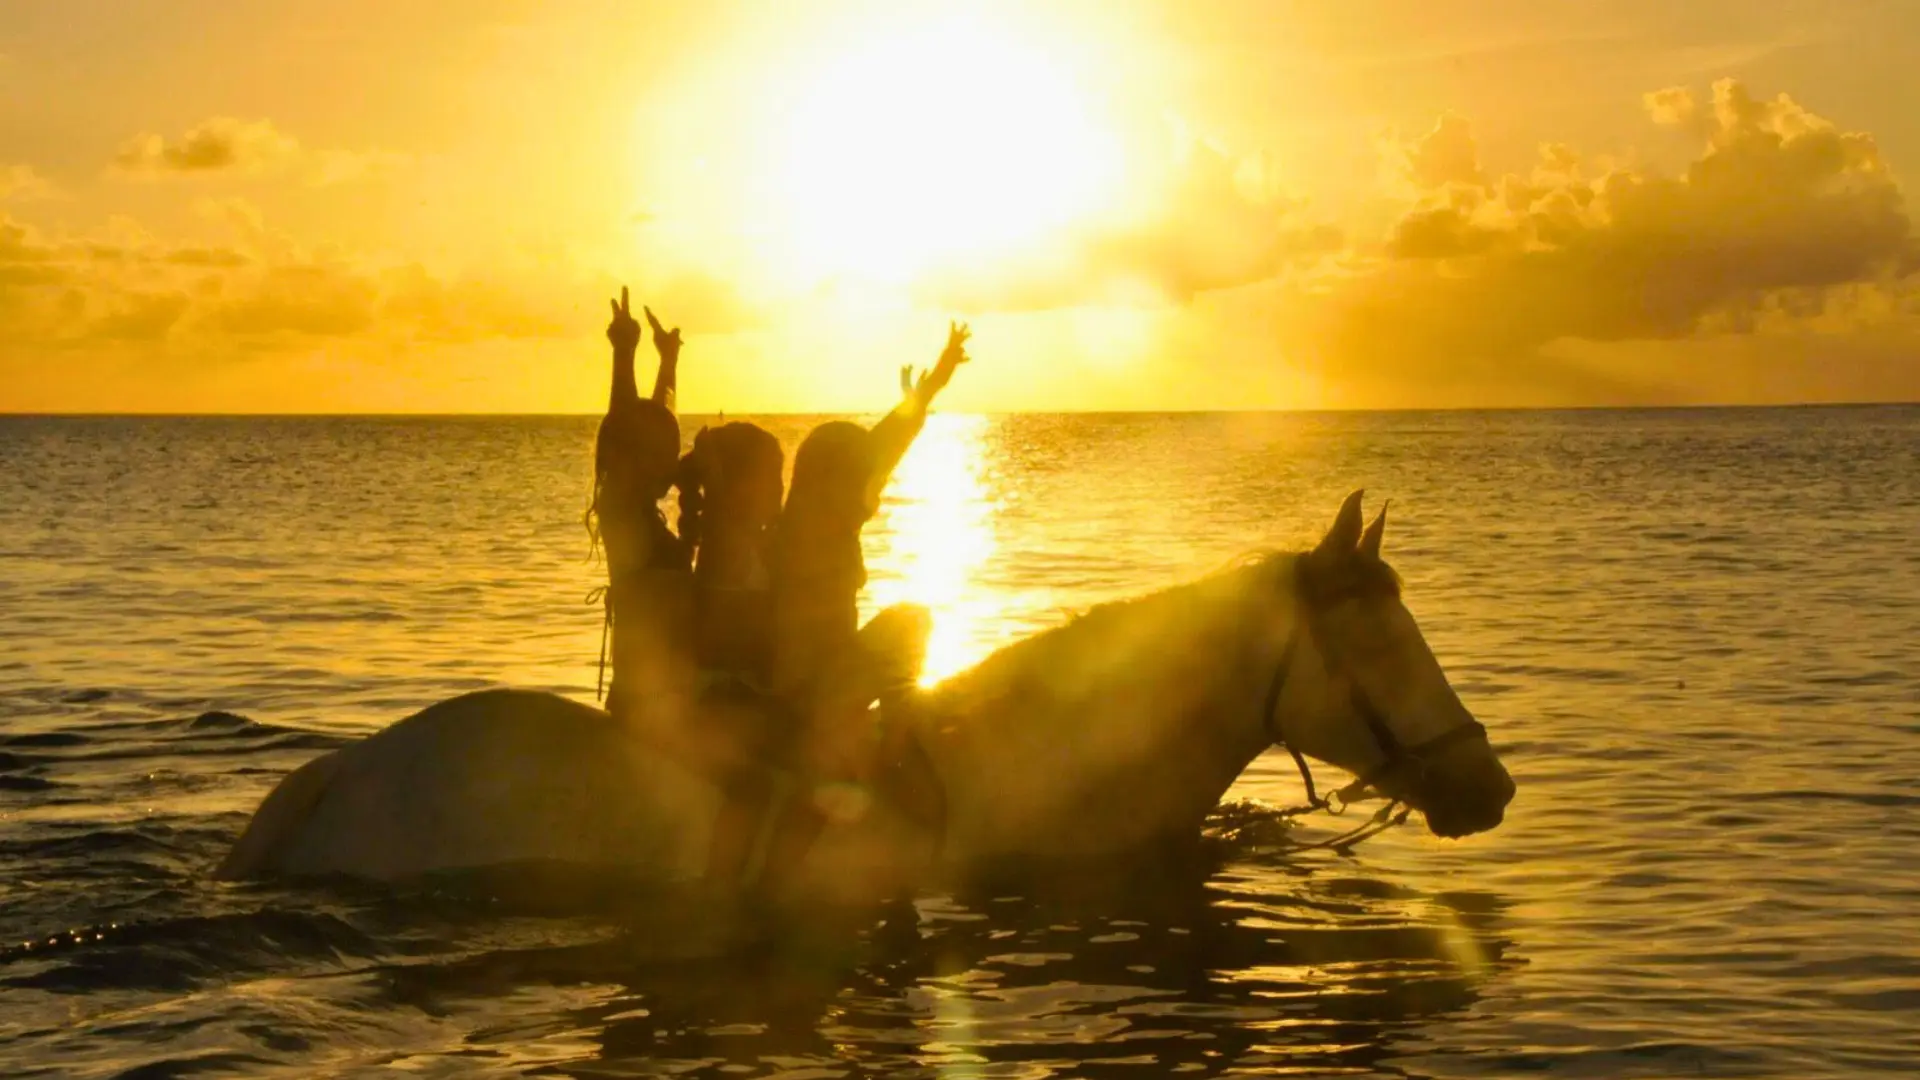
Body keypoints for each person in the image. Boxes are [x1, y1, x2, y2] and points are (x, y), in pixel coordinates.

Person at [751, 321, 972, 894]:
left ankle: (891, 733)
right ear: (830, 481)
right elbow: (879, 450)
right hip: (807, 693)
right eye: (860, 480)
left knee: (910, 622)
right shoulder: (803, 535)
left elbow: (884, 446)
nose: (872, 490)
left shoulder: (824, 521)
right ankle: (893, 749)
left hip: (829, 679)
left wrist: (930, 388)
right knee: (911, 621)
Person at [587, 287, 692, 734]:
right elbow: (628, 425)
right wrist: (625, 352)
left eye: (673, 451)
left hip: (672, 698)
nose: (673, 461)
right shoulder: (622, 514)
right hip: (644, 703)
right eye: (663, 455)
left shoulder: (644, 516)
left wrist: (668, 361)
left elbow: (654, 420)